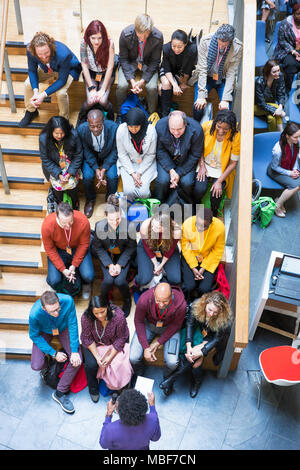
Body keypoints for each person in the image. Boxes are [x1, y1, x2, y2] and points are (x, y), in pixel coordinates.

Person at [159, 291, 233, 398]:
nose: (211, 314)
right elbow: (190, 324)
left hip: (210, 338)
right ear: (205, 304)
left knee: (197, 361)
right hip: (197, 330)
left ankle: (178, 379)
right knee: (195, 360)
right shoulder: (197, 305)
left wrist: (201, 352)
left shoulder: (224, 320)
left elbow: (216, 340)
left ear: (220, 312)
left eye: (215, 312)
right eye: (210, 309)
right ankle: (189, 380)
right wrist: (189, 346)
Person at [29, 291, 82, 414]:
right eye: (52, 311)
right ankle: (48, 365)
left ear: (58, 300)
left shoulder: (68, 301)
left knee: (77, 359)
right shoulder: (35, 314)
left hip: (63, 328)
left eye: (58, 308)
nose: (57, 313)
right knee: (36, 365)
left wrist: (74, 351)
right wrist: (53, 353)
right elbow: (34, 335)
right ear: (43, 308)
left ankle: (60, 393)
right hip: (45, 331)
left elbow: (73, 324)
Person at [19, 32, 81, 126]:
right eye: (40, 54)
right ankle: (31, 111)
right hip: (49, 68)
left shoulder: (64, 54)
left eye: (46, 53)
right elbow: (32, 71)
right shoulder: (30, 50)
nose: (44, 57)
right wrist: (36, 92)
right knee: (28, 84)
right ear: (34, 51)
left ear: (51, 47)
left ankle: (63, 120)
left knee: (61, 93)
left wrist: (43, 95)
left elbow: (62, 80)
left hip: (68, 68)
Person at [130, 282, 186, 382]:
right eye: (158, 300)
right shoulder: (144, 299)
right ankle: (139, 373)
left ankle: (167, 379)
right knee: (133, 357)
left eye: (165, 301)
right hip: (149, 325)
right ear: (153, 294)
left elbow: (176, 325)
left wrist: (159, 342)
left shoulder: (181, 305)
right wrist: (146, 347)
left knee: (172, 363)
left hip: (170, 328)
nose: (161, 304)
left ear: (171, 295)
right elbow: (138, 321)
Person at [80, 295, 132, 403]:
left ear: (108, 307)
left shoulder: (118, 316)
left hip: (115, 342)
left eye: (102, 312)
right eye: (96, 313)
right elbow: (87, 338)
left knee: (119, 363)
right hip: (95, 344)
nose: (100, 316)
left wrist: (109, 357)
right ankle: (93, 388)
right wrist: (98, 357)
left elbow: (121, 338)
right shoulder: (86, 317)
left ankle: (120, 385)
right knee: (91, 364)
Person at [92, 194, 136, 316]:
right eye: (111, 220)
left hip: (122, 255)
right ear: (106, 216)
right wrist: (110, 265)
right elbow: (98, 247)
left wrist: (120, 265)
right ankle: (104, 301)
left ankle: (127, 300)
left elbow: (131, 247)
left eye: (118, 219)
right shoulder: (99, 226)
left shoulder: (129, 226)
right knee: (107, 281)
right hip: (107, 255)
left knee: (120, 281)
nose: (115, 223)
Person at [41, 202, 94, 299]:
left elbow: (84, 244)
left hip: (77, 247)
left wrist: (74, 265)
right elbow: (50, 249)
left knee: (89, 275)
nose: (68, 227)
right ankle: (58, 285)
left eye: (71, 222)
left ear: (73, 214)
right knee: (53, 280)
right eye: (64, 224)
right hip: (59, 250)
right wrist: (63, 269)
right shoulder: (47, 225)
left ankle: (86, 284)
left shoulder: (83, 221)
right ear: (57, 217)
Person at [116, 13, 163, 120]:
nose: (142, 38)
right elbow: (123, 58)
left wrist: (142, 81)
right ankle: (120, 114)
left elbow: (155, 61)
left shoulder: (158, 37)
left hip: (148, 64)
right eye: (139, 34)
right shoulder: (125, 34)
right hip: (130, 63)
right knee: (122, 86)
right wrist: (132, 81)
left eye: (146, 35)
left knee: (152, 87)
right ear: (135, 29)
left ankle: (152, 114)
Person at [194, 110, 240, 216]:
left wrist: (219, 181)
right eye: (218, 127)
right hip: (204, 164)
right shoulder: (206, 126)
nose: (220, 131)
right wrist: (201, 166)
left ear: (231, 127)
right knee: (199, 189)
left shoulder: (236, 136)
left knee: (216, 193)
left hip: (221, 167)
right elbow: (198, 148)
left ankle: (214, 212)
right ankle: (196, 208)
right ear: (215, 122)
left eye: (226, 129)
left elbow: (233, 163)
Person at [193, 24, 243, 122]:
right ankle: (197, 126)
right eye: (219, 43)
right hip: (206, 77)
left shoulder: (238, 47)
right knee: (197, 107)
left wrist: (225, 99)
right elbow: (202, 69)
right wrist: (201, 95)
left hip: (223, 78)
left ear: (230, 41)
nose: (220, 47)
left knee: (227, 109)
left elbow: (231, 73)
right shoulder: (205, 41)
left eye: (224, 46)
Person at [154, 110, 204, 205]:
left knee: (187, 182)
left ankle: (185, 205)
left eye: (179, 129)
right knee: (163, 181)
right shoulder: (160, 125)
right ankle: (159, 204)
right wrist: (171, 170)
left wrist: (179, 173)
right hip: (167, 159)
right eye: (172, 129)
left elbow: (195, 155)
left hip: (186, 160)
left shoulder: (197, 129)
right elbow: (160, 150)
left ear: (185, 124)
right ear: (168, 124)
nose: (176, 133)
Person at [77, 109, 118, 218]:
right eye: (92, 126)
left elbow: (115, 150)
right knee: (87, 176)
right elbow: (85, 150)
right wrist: (96, 168)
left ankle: (110, 201)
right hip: (91, 156)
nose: (95, 129)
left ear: (103, 121)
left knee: (113, 176)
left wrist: (104, 168)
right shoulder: (82, 129)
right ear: (87, 122)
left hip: (108, 155)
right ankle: (90, 199)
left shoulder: (114, 128)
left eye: (99, 126)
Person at [181, 208, 225, 303]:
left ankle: (200, 307)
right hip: (191, 255)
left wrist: (203, 268)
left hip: (208, 259)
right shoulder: (187, 224)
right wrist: (193, 267)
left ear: (211, 223)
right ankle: (186, 304)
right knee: (189, 286)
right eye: (198, 224)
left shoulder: (219, 227)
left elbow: (217, 251)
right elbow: (185, 248)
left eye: (204, 226)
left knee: (205, 289)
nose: (199, 228)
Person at [39, 116, 83, 209]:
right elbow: (45, 159)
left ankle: (75, 203)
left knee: (71, 184)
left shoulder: (73, 135)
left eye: (62, 133)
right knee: (58, 186)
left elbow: (78, 155)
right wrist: (59, 175)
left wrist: (69, 174)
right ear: (51, 131)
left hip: (70, 164)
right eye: (56, 133)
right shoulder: (43, 138)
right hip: (54, 165)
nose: (59, 136)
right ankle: (59, 201)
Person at [116, 107, 157, 200]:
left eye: (136, 127)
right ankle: (130, 210)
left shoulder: (151, 131)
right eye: (130, 127)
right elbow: (122, 154)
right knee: (128, 191)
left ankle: (144, 209)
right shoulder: (121, 130)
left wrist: (139, 172)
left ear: (141, 124)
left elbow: (151, 155)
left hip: (146, 163)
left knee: (143, 192)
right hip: (129, 163)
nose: (133, 130)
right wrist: (132, 173)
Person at [135, 212, 182, 287]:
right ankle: (136, 281)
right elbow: (147, 247)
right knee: (144, 279)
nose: (153, 228)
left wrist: (161, 265)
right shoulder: (145, 225)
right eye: (153, 225)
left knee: (175, 279)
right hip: (148, 246)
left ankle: (161, 281)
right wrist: (155, 264)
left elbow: (170, 250)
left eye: (157, 227)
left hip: (167, 248)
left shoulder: (176, 231)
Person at [159, 29, 198, 117]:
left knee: (181, 86)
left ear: (185, 44)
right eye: (174, 46)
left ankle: (168, 107)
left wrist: (184, 82)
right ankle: (165, 114)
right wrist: (175, 85)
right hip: (168, 70)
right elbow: (167, 69)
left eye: (179, 47)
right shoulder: (166, 48)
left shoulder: (192, 49)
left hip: (181, 71)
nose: (176, 49)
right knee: (165, 84)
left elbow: (188, 69)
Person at [80, 20, 115, 115]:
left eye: (100, 38)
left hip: (105, 73)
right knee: (91, 100)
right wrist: (91, 88)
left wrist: (102, 89)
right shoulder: (84, 43)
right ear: (88, 37)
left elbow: (110, 67)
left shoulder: (109, 43)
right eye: (93, 38)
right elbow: (84, 65)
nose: (96, 41)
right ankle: (81, 118)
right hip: (91, 73)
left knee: (102, 100)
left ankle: (112, 116)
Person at [267, 121, 300, 216]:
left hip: (288, 168)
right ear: (287, 136)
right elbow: (274, 167)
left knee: (297, 184)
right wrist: (290, 173)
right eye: (295, 137)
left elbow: (295, 157)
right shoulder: (278, 150)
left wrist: (294, 169)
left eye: (299, 136)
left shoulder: (295, 142)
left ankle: (279, 200)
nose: (298, 140)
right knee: (296, 186)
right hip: (275, 171)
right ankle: (277, 206)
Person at [254, 59, 286, 132]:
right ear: (268, 72)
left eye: (278, 70)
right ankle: (281, 132)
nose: (277, 73)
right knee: (277, 113)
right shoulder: (259, 82)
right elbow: (261, 104)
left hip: (271, 104)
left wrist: (280, 107)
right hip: (257, 106)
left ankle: (273, 135)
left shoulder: (280, 77)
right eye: (274, 72)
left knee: (271, 119)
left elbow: (281, 94)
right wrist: (278, 110)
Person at [274, 3, 300, 92]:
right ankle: (291, 89)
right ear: (293, 13)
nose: (299, 16)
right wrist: (293, 51)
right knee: (291, 64)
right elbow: (282, 41)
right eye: (298, 14)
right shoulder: (285, 23)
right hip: (287, 50)